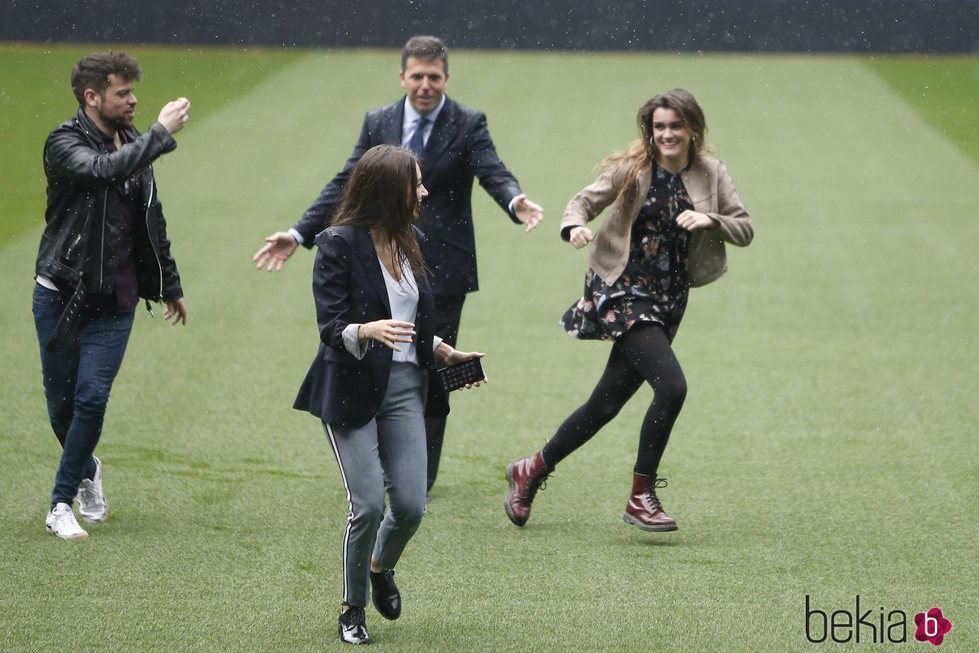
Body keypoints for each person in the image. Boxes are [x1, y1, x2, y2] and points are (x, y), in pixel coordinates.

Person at [255, 35, 542, 493]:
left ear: (446, 78)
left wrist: (515, 200)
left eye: (434, 77)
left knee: (431, 363)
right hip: (376, 264)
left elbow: (491, 168)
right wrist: (298, 233)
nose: (425, 85)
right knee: (376, 357)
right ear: (403, 76)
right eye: (417, 76)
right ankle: (375, 459)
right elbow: (348, 182)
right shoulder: (380, 121)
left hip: (441, 269)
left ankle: (417, 476)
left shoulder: (468, 122)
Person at [504, 88, 754, 532]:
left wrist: (711, 220)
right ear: (650, 130)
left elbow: (745, 227)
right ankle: (642, 496)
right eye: (660, 127)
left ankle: (532, 468)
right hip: (622, 289)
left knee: (605, 403)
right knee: (672, 388)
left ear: (693, 129)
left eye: (676, 126)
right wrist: (575, 226)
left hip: (670, 297)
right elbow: (583, 202)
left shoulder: (712, 173)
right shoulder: (634, 168)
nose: (667, 134)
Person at [293, 144, 486, 645]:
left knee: (412, 505)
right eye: (415, 184)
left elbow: (415, 320)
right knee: (368, 505)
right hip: (351, 388)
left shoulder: (410, 240)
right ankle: (352, 607)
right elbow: (330, 326)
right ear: (387, 191)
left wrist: (444, 351)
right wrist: (365, 329)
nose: (423, 192)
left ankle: (381, 565)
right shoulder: (336, 243)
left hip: (405, 388)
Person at [32, 52, 190, 540]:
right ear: (92, 97)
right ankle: (87, 469)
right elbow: (100, 170)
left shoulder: (137, 144)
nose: (134, 100)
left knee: (91, 399)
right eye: (123, 92)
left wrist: (170, 285)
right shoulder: (64, 142)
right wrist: (161, 135)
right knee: (61, 406)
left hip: (115, 299)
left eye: (132, 91)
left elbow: (151, 219)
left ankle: (60, 503)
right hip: (61, 294)